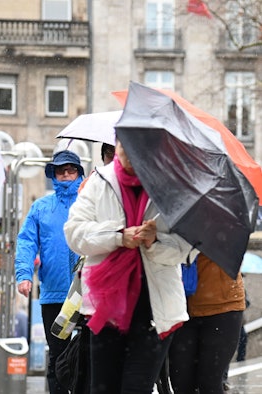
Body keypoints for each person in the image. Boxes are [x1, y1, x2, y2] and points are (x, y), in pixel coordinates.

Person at [64, 140, 196, 394]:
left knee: (136, 388)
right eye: (122, 143)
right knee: (103, 389)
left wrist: (154, 241)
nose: (126, 152)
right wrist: (117, 235)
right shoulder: (100, 181)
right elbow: (74, 234)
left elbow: (185, 247)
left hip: (155, 307)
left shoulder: (172, 187)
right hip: (106, 306)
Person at [15, 149, 84, 394]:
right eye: (61, 171)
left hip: (87, 294)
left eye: (71, 170)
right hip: (54, 296)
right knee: (57, 356)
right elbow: (26, 242)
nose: (66, 175)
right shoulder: (40, 208)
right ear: (53, 175)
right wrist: (23, 275)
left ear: (79, 173)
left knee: (87, 356)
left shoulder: (89, 202)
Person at [169, 253, 246, 394]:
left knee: (209, 382)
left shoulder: (225, 233)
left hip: (223, 306)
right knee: (181, 383)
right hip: (181, 307)